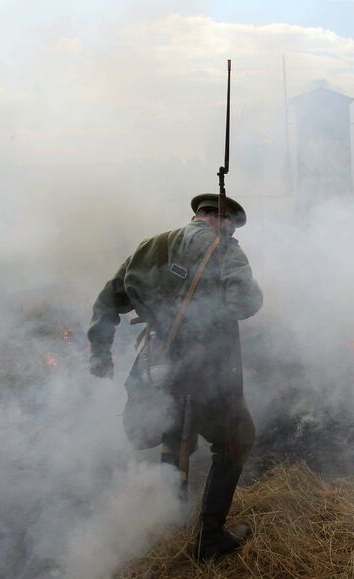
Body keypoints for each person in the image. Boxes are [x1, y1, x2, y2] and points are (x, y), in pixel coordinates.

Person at [87, 192, 263, 559]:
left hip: (158, 363)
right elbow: (247, 303)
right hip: (208, 367)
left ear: (199, 214)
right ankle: (209, 539)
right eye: (231, 226)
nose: (232, 232)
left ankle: (172, 523)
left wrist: (100, 351)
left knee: (176, 438)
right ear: (224, 220)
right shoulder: (225, 250)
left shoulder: (151, 246)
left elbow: (108, 299)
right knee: (236, 438)